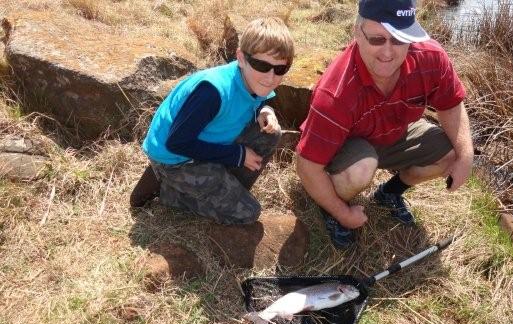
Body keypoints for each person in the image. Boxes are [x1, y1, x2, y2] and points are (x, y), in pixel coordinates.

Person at [295, 0, 473, 249]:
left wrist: (466, 156)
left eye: (399, 39)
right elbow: (307, 166)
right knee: (361, 169)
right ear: (357, 32)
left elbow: (450, 104)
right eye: (377, 39)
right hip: (347, 146)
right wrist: (343, 214)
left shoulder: (431, 57)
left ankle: (389, 192)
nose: (388, 52)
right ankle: (331, 211)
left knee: (452, 152)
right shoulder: (335, 94)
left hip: (395, 134)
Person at [129, 17, 294, 225]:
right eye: (262, 65)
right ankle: (169, 191)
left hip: (209, 142)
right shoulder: (212, 92)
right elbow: (177, 142)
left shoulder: (255, 79)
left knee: (271, 134)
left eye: (280, 69)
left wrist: (266, 110)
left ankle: (221, 187)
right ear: (241, 58)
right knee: (248, 213)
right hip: (176, 159)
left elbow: (259, 100)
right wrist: (237, 155)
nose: (271, 77)